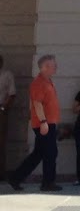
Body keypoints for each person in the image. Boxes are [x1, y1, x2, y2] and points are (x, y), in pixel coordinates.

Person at [7, 54, 62, 192]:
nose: (55, 67)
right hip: (44, 124)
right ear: (44, 67)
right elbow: (37, 104)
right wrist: (43, 122)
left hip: (49, 123)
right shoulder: (39, 83)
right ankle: (47, 183)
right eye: (52, 65)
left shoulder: (48, 81)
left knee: (39, 154)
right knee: (50, 153)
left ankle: (16, 177)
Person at [0, 53, 15, 166]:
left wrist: (3, 108)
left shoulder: (7, 75)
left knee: (1, 142)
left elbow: (12, 94)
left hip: (1, 110)